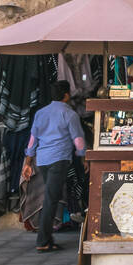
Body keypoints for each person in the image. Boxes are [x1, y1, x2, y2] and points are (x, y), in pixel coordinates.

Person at [23, 80, 86, 253]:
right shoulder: (70, 114)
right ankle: (42, 240)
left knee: (51, 196)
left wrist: (28, 163)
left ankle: (47, 238)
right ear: (66, 95)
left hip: (42, 160)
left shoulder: (41, 113)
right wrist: (83, 158)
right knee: (51, 198)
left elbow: (33, 139)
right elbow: (78, 140)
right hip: (59, 159)